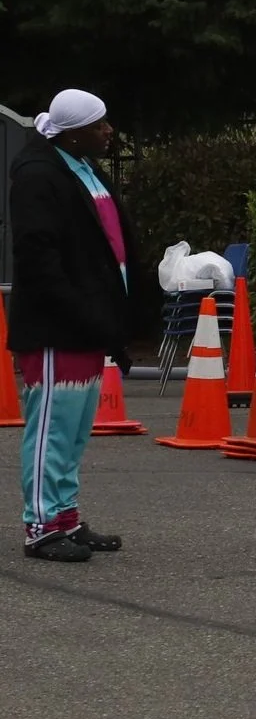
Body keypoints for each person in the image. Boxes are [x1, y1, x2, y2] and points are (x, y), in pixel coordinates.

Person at [7, 89, 158, 563]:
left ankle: (65, 517)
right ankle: (41, 527)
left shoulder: (81, 167)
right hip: (58, 327)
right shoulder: (38, 175)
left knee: (73, 432)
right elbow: (37, 256)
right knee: (51, 430)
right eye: (100, 125)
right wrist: (80, 310)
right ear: (73, 133)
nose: (109, 131)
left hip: (89, 324)